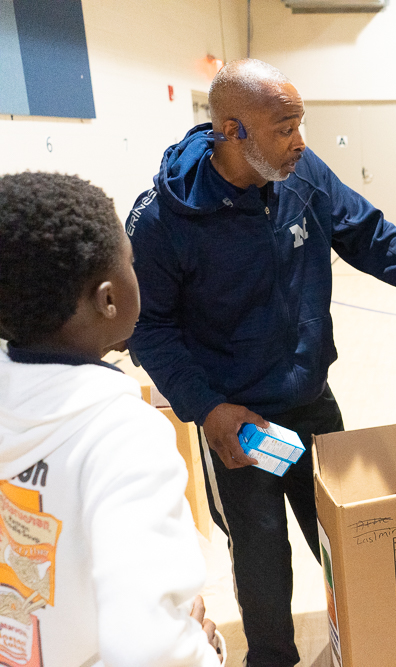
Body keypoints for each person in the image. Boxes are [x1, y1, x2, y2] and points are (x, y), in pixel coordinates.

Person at [126, 59, 396, 667]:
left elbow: (371, 236)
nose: (299, 141)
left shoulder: (302, 176)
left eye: (300, 124)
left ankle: (364, 642)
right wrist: (207, 408)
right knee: (260, 554)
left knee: (343, 536)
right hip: (237, 418)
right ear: (233, 130)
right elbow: (148, 326)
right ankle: (273, 658)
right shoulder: (163, 219)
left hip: (309, 398)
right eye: (284, 127)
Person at [0, 172, 221, 666]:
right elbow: (148, 650)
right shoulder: (124, 435)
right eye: (131, 263)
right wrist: (200, 654)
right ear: (109, 299)